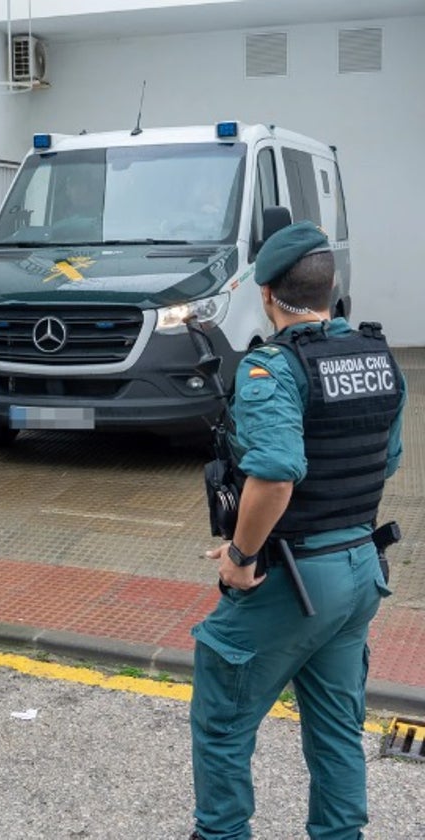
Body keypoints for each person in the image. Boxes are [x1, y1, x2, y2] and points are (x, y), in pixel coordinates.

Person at [188, 221, 405, 840]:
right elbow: (385, 461)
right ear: (331, 289)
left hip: (293, 577)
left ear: (266, 294)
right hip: (359, 569)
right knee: (337, 727)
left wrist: (240, 553)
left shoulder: (272, 370)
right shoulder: (378, 357)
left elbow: (276, 478)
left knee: (224, 724)